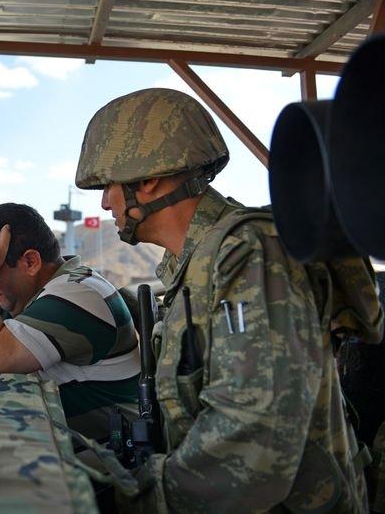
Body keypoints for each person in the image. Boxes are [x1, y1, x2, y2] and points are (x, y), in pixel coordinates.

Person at [74, 88, 381, 512]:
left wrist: (134, 496)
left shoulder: (249, 252)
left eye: (108, 184)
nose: (106, 200)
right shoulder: (196, 264)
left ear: (147, 180)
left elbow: (251, 450)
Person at [0, 202, 140, 441]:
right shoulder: (24, 291)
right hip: (61, 435)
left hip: (103, 450)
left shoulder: (76, 293)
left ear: (30, 262)